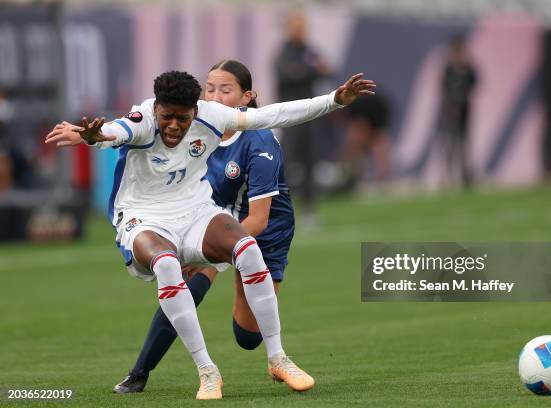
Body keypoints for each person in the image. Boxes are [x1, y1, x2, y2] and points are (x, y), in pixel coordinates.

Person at [46, 70, 375, 400]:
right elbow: (114, 130)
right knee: (166, 264)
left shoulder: (211, 115)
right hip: (143, 218)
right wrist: (91, 135)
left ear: (195, 111)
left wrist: (334, 100)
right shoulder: (142, 119)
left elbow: (272, 114)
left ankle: (278, 358)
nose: (174, 125)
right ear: (156, 109)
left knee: (247, 247)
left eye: (183, 118)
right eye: (167, 117)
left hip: (194, 210)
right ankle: (207, 371)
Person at [112, 60, 297, 394]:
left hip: (263, 233)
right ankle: (139, 373)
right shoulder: (198, 126)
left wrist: (210, 256)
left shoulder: (260, 141)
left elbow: (258, 219)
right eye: (209, 88)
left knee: (247, 337)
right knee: (186, 284)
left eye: (225, 90)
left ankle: (276, 353)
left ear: (246, 97)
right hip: (212, 219)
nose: (214, 96)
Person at [275, 13, 330, 223]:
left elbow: (327, 69)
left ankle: (308, 209)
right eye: (296, 26)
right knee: (287, 163)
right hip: (290, 116)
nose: (300, 31)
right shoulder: (284, 52)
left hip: (310, 115)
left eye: (302, 27)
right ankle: (280, 209)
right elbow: (288, 74)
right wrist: (310, 70)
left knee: (309, 162)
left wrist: (309, 70)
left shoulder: (309, 50)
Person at [440, 36, 477, 188]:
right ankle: (448, 178)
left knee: (464, 144)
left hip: (464, 110)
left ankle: (466, 177)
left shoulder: (468, 69)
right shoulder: (448, 69)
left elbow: (473, 85)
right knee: (450, 144)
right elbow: (442, 88)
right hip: (450, 110)